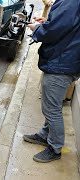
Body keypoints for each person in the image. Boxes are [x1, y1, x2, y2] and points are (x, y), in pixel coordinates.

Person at [23, 0, 80, 163]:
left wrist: (38, 28)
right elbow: (64, 25)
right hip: (66, 58)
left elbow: (54, 30)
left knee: (51, 108)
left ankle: (55, 148)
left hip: (62, 61)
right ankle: (44, 135)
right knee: (52, 105)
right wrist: (47, 22)